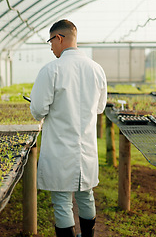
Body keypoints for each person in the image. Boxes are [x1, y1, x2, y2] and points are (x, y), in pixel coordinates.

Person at [29, 19, 107, 237]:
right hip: (86, 147)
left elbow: (37, 111)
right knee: (86, 194)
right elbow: (100, 108)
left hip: (60, 148)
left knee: (62, 201)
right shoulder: (96, 69)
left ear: (59, 38)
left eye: (51, 41)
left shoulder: (51, 70)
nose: (51, 47)